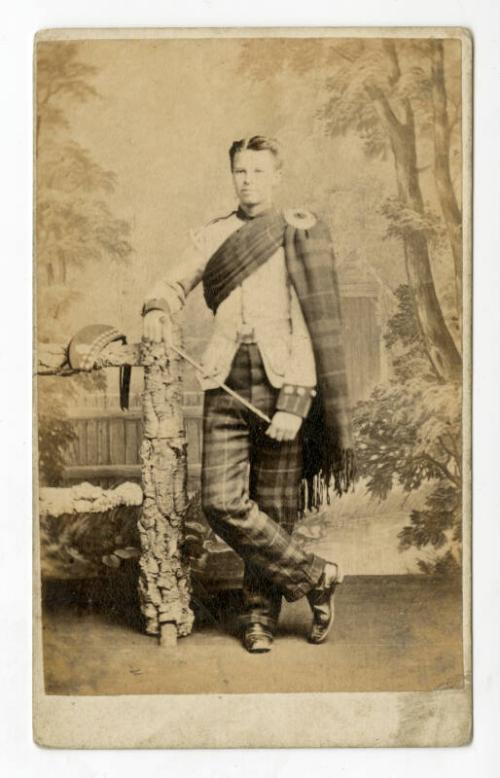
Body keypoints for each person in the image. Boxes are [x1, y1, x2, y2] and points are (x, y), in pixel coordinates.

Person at [142, 135, 356, 653]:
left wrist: (295, 402)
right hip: (223, 383)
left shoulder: (295, 233)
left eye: (259, 173)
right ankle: (317, 575)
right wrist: (155, 309)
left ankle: (259, 617)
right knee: (221, 502)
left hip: (283, 384)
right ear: (231, 175)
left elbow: (311, 323)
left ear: (277, 177)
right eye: (241, 172)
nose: (249, 181)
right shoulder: (214, 235)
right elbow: (172, 284)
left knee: (275, 507)